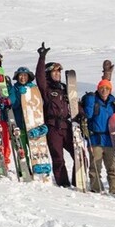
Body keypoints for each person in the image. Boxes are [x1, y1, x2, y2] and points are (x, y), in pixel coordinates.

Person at [33, 47, 74, 186]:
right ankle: (63, 183)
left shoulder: (64, 88)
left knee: (79, 154)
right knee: (58, 158)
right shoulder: (46, 89)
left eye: (59, 72)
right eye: (54, 71)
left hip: (66, 126)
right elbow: (39, 78)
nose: (57, 74)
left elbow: (74, 104)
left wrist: (81, 115)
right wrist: (42, 58)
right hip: (53, 127)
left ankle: (77, 180)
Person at [80, 75, 115, 195]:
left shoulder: (113, 104)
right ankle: (96, 188)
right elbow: (88, 115)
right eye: (102, 88)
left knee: (112, 167)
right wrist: (90, 101)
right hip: (95, 139)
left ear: (110, 90)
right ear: (98, 89)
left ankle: (114, 189)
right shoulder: (93, 101)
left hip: (110, 140)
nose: (104, 91)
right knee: (95, 167)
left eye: (107, 88)